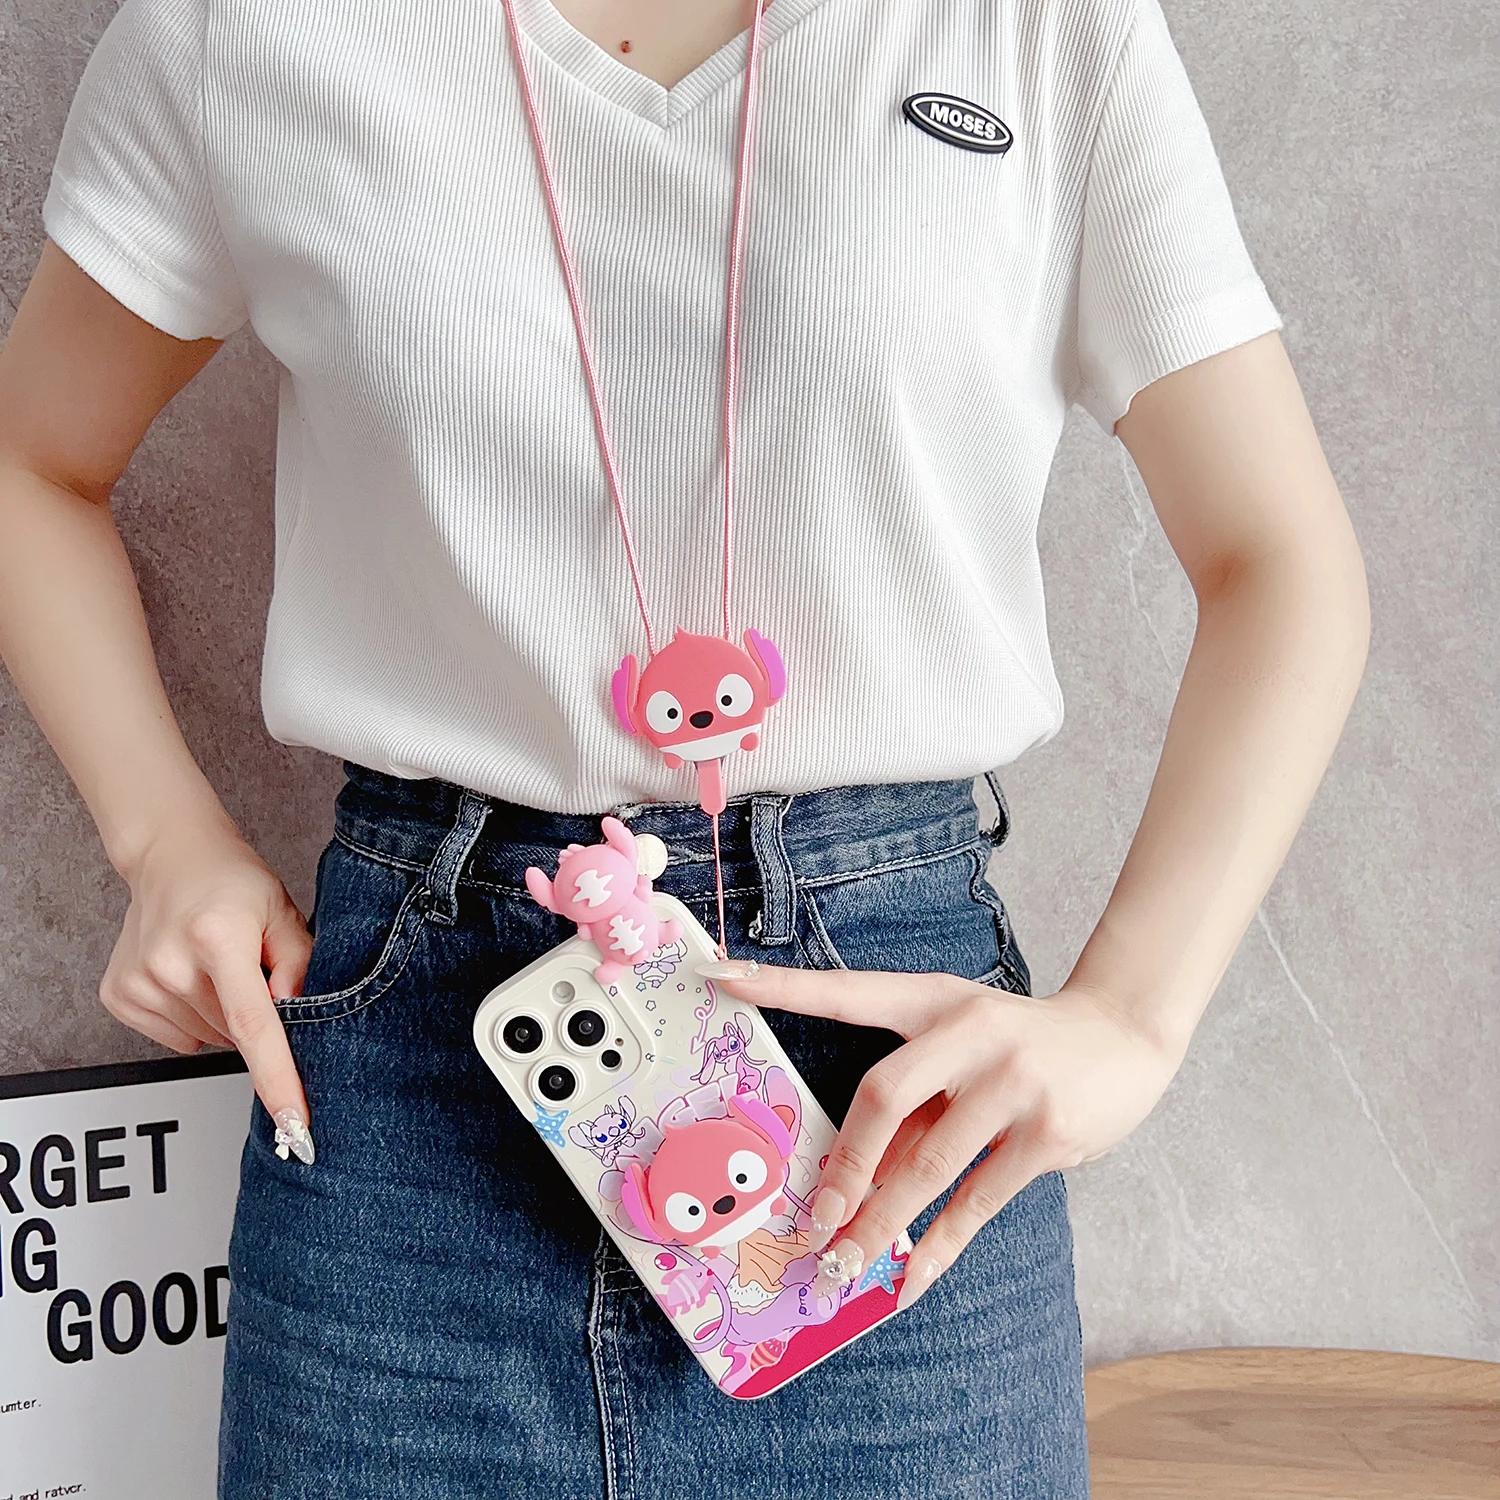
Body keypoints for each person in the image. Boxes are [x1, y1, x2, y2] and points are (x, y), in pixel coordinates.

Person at [0, 0, 1369, 1494]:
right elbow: (29, 461)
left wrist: (1136, 1021)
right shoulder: (243, 30)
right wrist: (163, 844)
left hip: (885, 1084)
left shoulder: (1036, 27)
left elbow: (1281, 559)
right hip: (408, 1070)